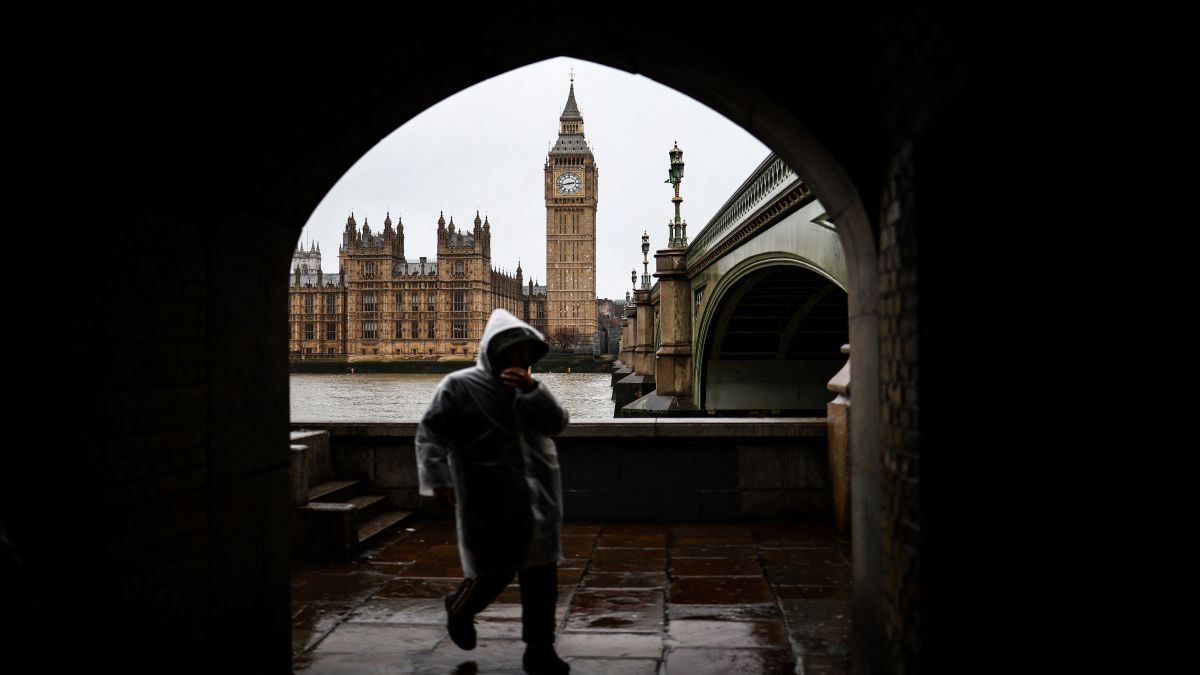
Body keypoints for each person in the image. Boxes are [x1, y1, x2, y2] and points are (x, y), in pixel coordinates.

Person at [415, 309, 571, 675]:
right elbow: (430, 434)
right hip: (490, 492)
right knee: (495, 570)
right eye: (514, 351)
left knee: (541, 577)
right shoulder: (459, 385)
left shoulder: (530, 387)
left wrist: (534, 391)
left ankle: (540, 650)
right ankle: (460, 607)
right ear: (494, 350)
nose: (521, 358)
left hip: (538, 494)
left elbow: (557, 424)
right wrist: (439, 479)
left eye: (527, 353)